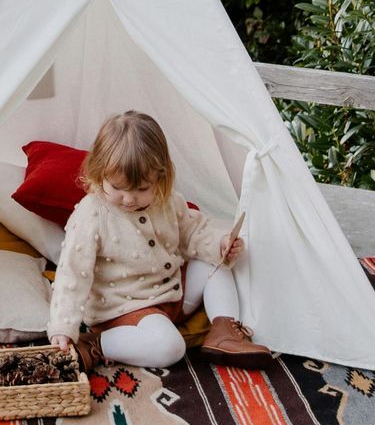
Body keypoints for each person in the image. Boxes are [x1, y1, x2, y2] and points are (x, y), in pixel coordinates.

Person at [45, 110, 273, 371]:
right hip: (123, 310)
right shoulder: (92, 213)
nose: (129, 199)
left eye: (141, 189)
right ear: (99, 173)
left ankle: (224, 332)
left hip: (171, 296)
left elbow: (193, 231)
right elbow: (73, 274)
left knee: (212, 264)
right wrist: (63, 327)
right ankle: (96, 344)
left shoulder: (167, 201)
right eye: (117, 188)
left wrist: (220, 244)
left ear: (160, 177)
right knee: (170, 348)